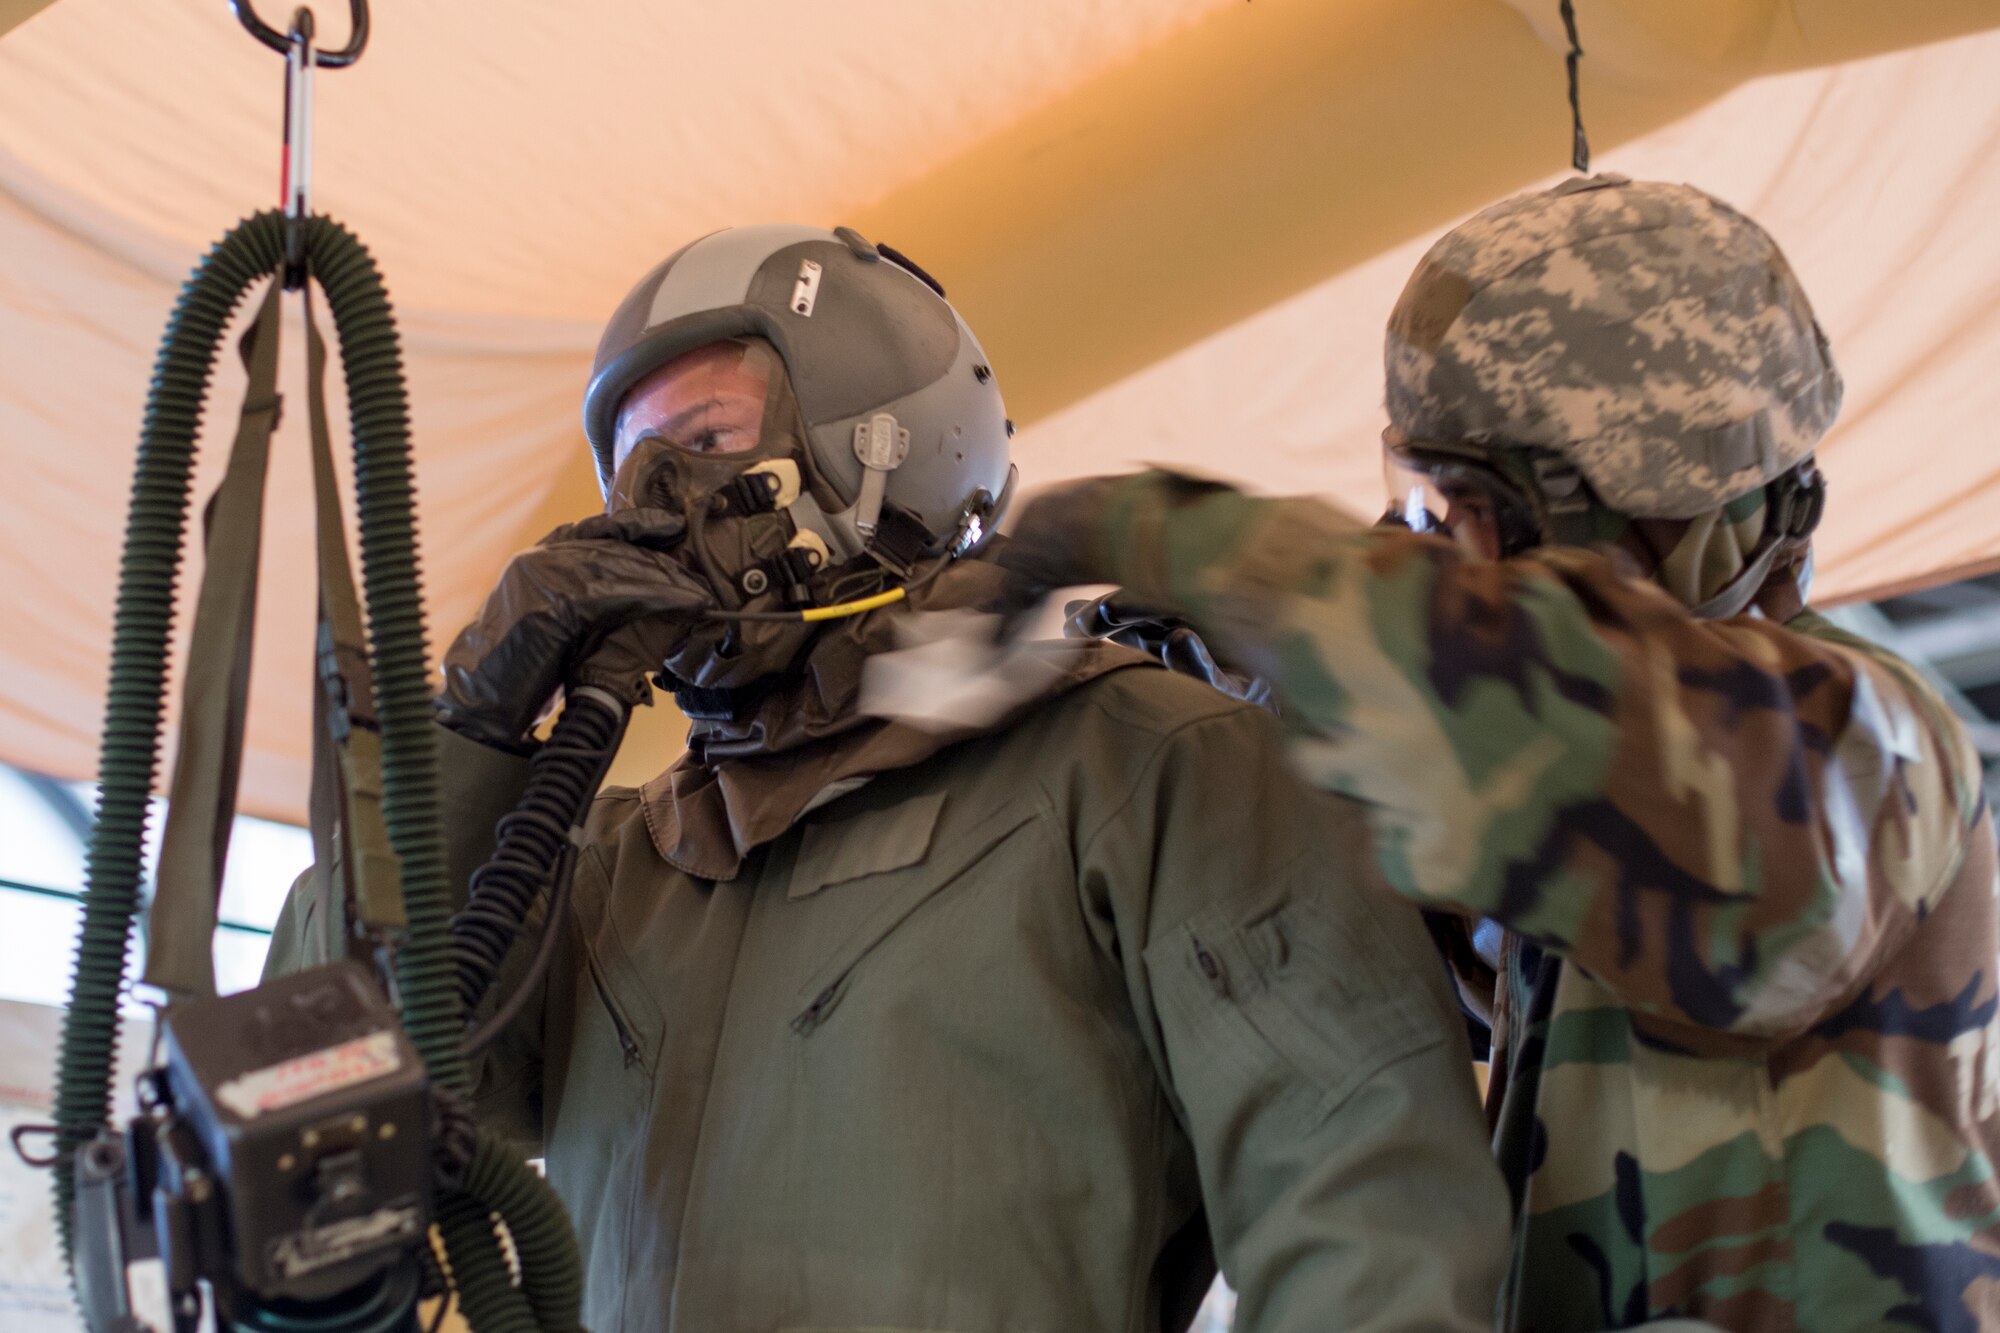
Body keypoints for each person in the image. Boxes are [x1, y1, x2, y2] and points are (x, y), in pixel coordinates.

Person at [267, 224, 1510, 1332]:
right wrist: (475, 729)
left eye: (704, 444)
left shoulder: (1150, 767)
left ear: (889, 447)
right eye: (634, 470)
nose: (657, 506)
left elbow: (1370, 1217)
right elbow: (336, 1082)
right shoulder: (606, 872)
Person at [1003, 176, 2000, 1332]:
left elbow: (1540, 717)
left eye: (1461, 500)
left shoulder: (1860, 748)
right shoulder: (1590, 814)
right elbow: (1447, 855)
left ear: (1615, 505)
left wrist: (1129, 530)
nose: (1436, 540)